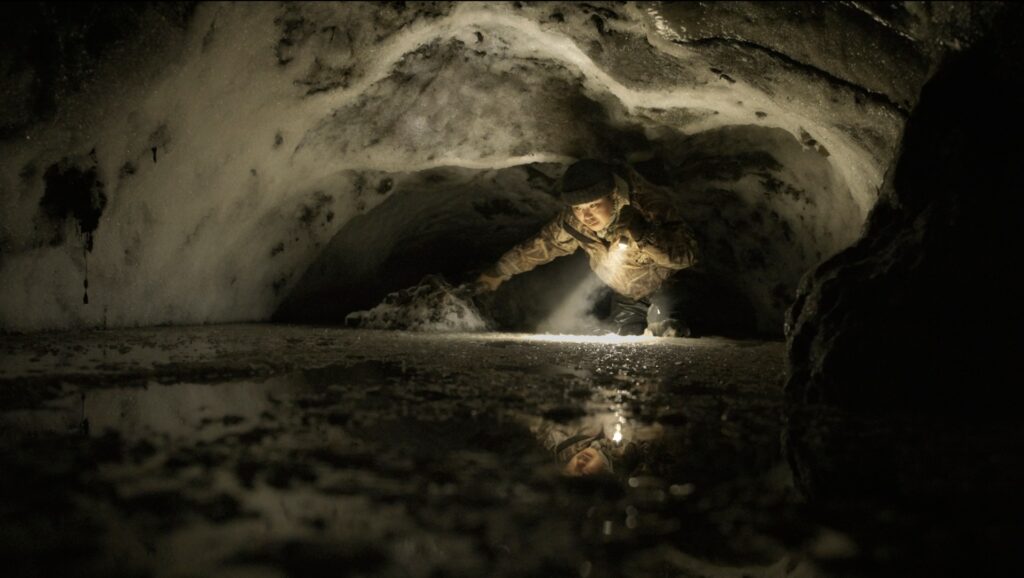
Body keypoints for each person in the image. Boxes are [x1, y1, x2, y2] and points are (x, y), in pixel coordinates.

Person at [474, 159, 699, 335]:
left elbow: (687, 256)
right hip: (628, 295)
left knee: (668, 331)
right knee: (626, 338)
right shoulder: (574, 222)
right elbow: (543, 244)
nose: (587, 216)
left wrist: (642, 233)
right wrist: (499, 271)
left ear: (612, 195)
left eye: (594, 205)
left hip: (667, 285)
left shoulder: (647, 205)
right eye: (579, 208)